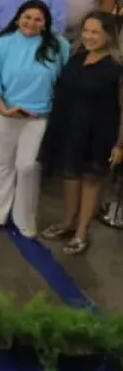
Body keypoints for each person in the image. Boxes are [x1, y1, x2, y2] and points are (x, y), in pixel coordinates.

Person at [0, 0, 73, 238]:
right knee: (3, 162)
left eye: (38, 19)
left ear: (46, 23)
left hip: (39, 116)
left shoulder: (58, 46)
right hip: (2, 112)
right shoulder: (1, 44)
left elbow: (66, 81)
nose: (31, 23)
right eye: (27, 17)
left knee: (27, 166)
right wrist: (4, 109)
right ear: (18, 18)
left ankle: (25, 217)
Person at [38, 13, 123, 255]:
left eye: (95, 32)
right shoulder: (77, 58)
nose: (89, 36)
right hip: (70, 127)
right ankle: (67, 222)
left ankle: (81, 232)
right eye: (86, 30)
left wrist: (120, 144)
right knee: (70, 176)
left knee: (90, 179)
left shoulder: (117, 67)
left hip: (98, 133)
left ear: (108, 34)